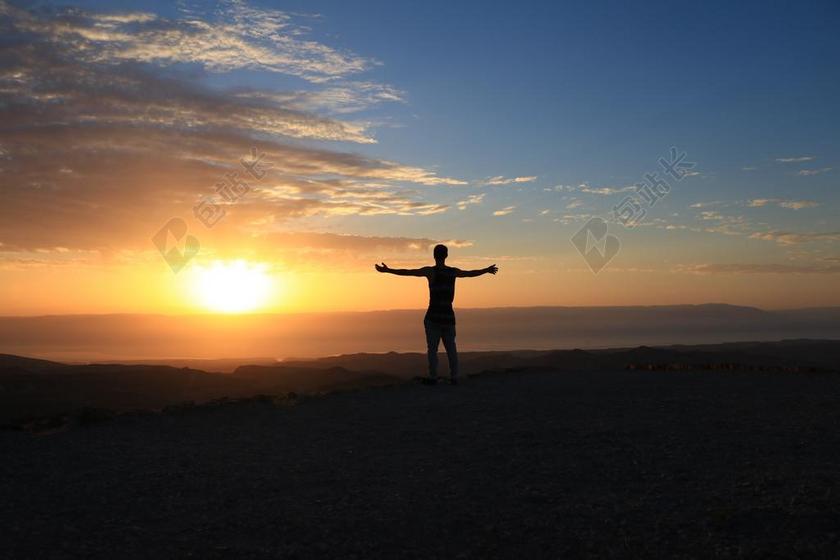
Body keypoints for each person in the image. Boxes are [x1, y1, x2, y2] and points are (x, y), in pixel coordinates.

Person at [375, 244, 498, 385]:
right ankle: (454, 377)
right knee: (451, 348)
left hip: (432, 317)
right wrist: (486, 270)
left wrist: (388, 270)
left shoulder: (430, 272)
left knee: (432, 350)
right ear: (446, 255)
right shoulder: (452, 272)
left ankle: (433, 377)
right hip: (448, 317)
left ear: (434, 256)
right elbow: (470, 273)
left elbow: (408, 272)